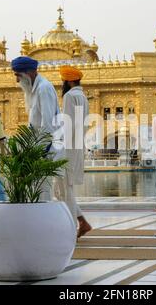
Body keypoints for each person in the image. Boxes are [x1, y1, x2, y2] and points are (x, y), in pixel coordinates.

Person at [11, 56, 60, 202]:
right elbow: (34, 123)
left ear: (29, 73)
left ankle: (45, 220)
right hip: (39, 145)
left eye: (18, 76)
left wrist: (41, 152)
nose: (17, 81)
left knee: (42, 187)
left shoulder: (43, 88)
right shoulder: (35, 89)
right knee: (37, 187)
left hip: (47, 146)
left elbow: (48, 122)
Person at [54, 66, 92, 238]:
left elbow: (68, 124)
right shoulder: (83, 97)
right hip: (78, 145)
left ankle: (70, 229)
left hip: (68, 146)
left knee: (63, 188)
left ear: (68, 81)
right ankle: (82, 221)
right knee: (61, 188)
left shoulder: (70, 96)